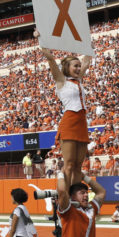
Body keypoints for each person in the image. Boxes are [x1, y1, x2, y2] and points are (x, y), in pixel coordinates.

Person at [36, 30, 92, 187]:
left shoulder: (78, 79)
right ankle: (66, 195)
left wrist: (88, 43)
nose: (79, 68)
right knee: (68, 165)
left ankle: (75, 195)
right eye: (75, 66)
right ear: (67, 67)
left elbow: (87, 60)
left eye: (79, 66)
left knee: (78, 166)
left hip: (82, 122)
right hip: (69, 122)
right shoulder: (61, 81)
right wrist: (40, 38)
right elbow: (50, 58)